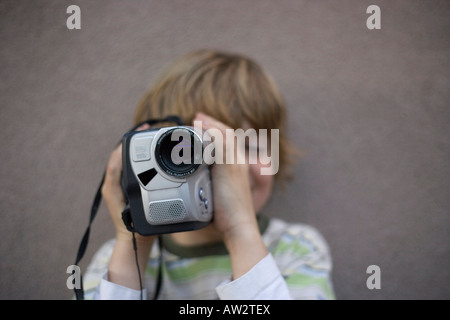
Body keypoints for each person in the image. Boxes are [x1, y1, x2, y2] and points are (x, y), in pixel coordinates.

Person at [82, 49, 335, 300]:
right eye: (201, 149)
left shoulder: (297, 248)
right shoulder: (116, 260)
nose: (233, 166)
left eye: (249, 146)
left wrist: (239, 230)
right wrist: (133, 239)